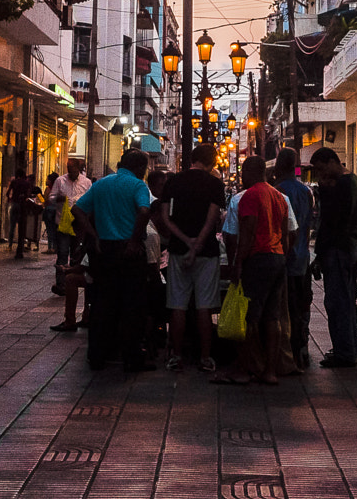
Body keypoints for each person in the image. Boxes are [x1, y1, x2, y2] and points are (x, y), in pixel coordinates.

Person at [70, 147, 157, 372]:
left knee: (102, 304)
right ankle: (132, 356)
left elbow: (77, 210)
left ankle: (97, 355)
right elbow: (145, 211)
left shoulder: (102, 184)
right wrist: (135, 240)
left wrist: (93, 234)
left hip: (104, 249)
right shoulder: (138, 185)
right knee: (132, 306)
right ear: (139, 168)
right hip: (129, 252)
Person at [219, 154, 297, 385]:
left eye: (243, 173)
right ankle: (270, 370)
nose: (241, 177)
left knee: (249, 316)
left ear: (250, 173)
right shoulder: (280, 197)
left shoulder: (251, 196)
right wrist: (283, 256)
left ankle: (246, 367)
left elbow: (248, 233)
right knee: (272, 316)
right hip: (277, 257)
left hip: (258, 258)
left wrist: (238, 263)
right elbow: (287, 233)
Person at [151, 149, 226, 372]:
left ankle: (176, 355)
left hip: (177, 250)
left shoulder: (174, 182)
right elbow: (212, 219)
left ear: (191, 160)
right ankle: (205, 357)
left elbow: (165, 218)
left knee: (177, 304)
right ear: (212, 162)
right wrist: (198, 244)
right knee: (204, 306)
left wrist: (185, 240)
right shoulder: (214, 184)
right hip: (207, 252)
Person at [309, 147, 357, 368]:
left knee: (337, 301)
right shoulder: (352, 181)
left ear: (333, 162)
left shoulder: (342, 185)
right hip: (348, 248)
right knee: (346, 300)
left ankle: (344, 351)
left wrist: (320, 255)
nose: (320, 175)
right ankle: (352, 347)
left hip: (338, 250)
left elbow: (331, 222)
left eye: (322, 169)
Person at [272, 147, 315, 372]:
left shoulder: (277, 191)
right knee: (303, 304)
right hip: (302, 257)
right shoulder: (306, 192)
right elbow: (307, 227)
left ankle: (288, 349)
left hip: (284, 258)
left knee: (285, 307)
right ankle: (302, 347)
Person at [48, 158, 91, 287]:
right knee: (62, 252)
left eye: (72, 170)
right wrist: (57, 199)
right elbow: (50, 198)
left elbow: (90, 201)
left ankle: (72, 282)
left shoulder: (87, 183)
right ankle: (61, 283)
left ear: (78, 169)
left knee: (76, 253)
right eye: (68, 169)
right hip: (63, 223)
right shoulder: (60, 181)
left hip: (79, 224)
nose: (70, 172)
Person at [8, 163, 41, 258]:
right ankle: (20, 248)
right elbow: (28, 194)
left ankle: (10, 245)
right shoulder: (26, 184)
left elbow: (8, 193)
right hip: (22, 206)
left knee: (12, 226)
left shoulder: (14, 182)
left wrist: (11, 199)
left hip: (14, 204)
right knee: (22, 228)